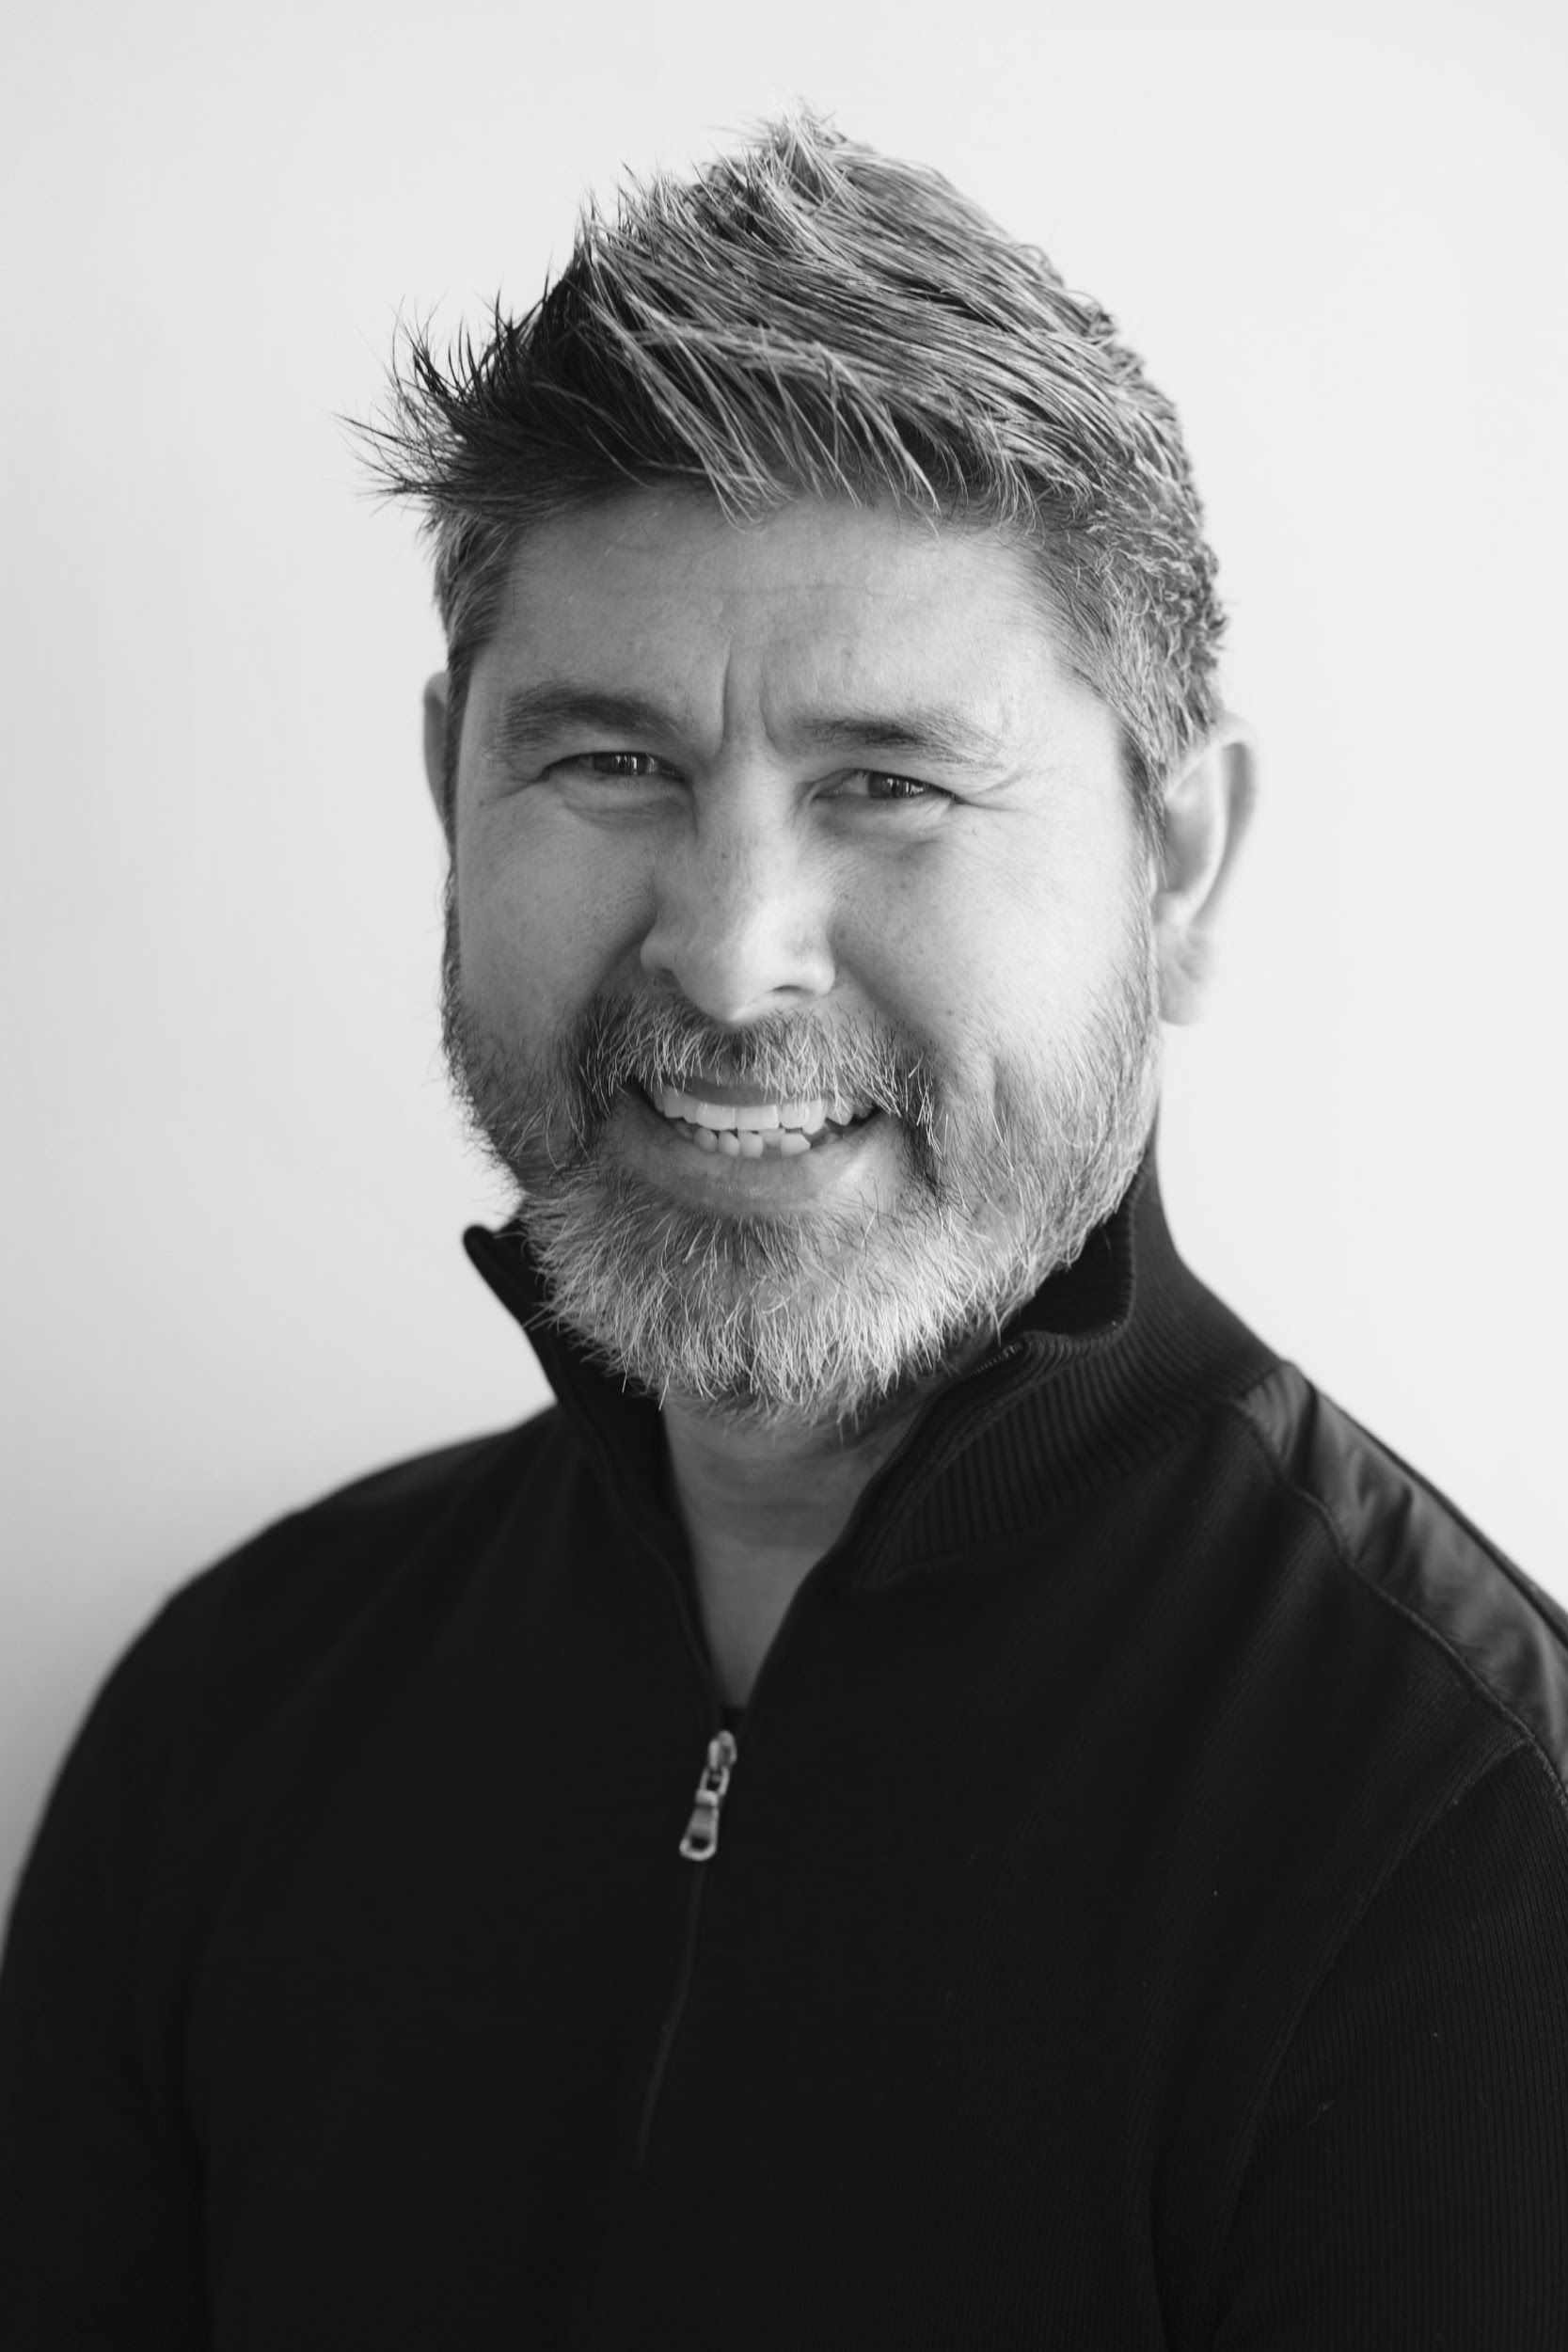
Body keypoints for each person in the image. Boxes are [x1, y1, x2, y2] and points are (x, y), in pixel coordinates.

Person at [2, 108, 1565, 2351]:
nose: (733, 958)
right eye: (612, 763)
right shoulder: (224, 1725)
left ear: (1182, 860)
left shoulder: (1470, 1854)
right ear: (449, 782)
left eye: (890, 781)